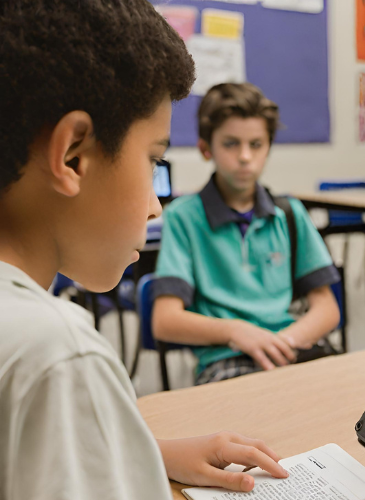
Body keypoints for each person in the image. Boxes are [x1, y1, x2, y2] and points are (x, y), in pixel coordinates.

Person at [0, 1, 291, 498]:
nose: (157, 207)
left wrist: (146, 450)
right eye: (153, 160)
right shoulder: (57, 352)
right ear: (72, 156)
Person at [152, 83, 341, 385]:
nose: (244, 157)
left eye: (256, 144)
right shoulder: (183, 217)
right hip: (226, 360)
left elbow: (327, 309)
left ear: (268, 147)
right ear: (205, 148)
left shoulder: (289, 213)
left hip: (292, 349)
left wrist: (283, 343)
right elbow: (165, 321)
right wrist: (236, 332)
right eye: (230, 144)